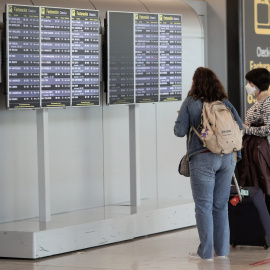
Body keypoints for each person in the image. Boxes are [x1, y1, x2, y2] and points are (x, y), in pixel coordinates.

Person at [174, 67, 243, 261]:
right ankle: (221, 252)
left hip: (203, 157)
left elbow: (179, 131)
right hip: (228, 158)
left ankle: (206, 253)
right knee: (220, 206)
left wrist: (184, 118)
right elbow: (240, 127)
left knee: (204, 206)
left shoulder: (190, 102)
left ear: (195, 83)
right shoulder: (224, 103)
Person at [238, 68, 270, 213]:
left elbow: (268, 129)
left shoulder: (267, 103)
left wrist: (247, 129)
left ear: (257, 84)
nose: (248, 86)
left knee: (264, 186)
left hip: (263, 153)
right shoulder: (259, 103)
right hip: (255, 151)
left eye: (250, 83)